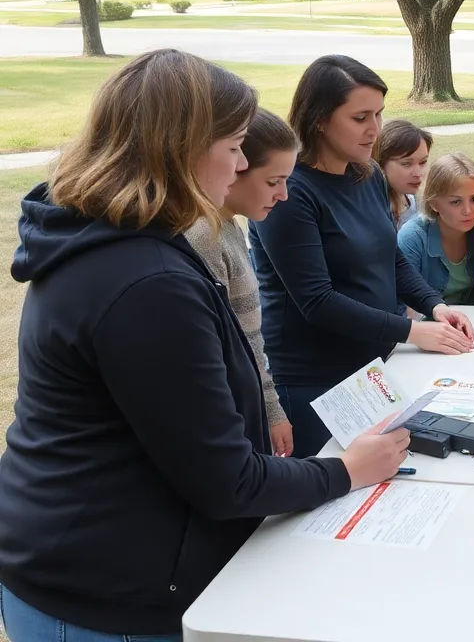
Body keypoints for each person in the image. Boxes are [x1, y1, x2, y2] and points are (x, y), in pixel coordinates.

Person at [0, 50, 409, 641]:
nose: (242, 162)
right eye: (235, 145)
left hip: (91, 562)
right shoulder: (144, 282)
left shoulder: (123, 240)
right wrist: (346, 470)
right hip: (99, 594)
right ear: (183, 148)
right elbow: (226, 481)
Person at [249, 55, 474, 458]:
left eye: (379, 114)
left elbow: (390, 259)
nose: (375, 130)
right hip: (312, 382)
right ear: (319, 118)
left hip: (373, 370)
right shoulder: (290, 191)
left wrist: (434, 306)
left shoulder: (367, 173)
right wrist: (411, 331)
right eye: (360, 117)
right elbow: (317, 301)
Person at [185, 108, 300, 458]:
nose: (283, 195)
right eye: (272, 182)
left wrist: (271, 408)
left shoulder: (230, 225)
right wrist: (267, 411)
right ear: (236, 168)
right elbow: (226, 347)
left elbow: (250, 336)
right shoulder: (203, 235)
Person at [396, 153, 474, 307]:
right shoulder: (412, 237)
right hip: (427, 322)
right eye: (456, 202)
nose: (468, 210)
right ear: (433, 203)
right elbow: (403, 302)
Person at [378, 118, 432, 228]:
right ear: (381, 163)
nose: (418, 173)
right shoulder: (374, 211)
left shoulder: (416, 201)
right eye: (406, 164)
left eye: (423, 162)